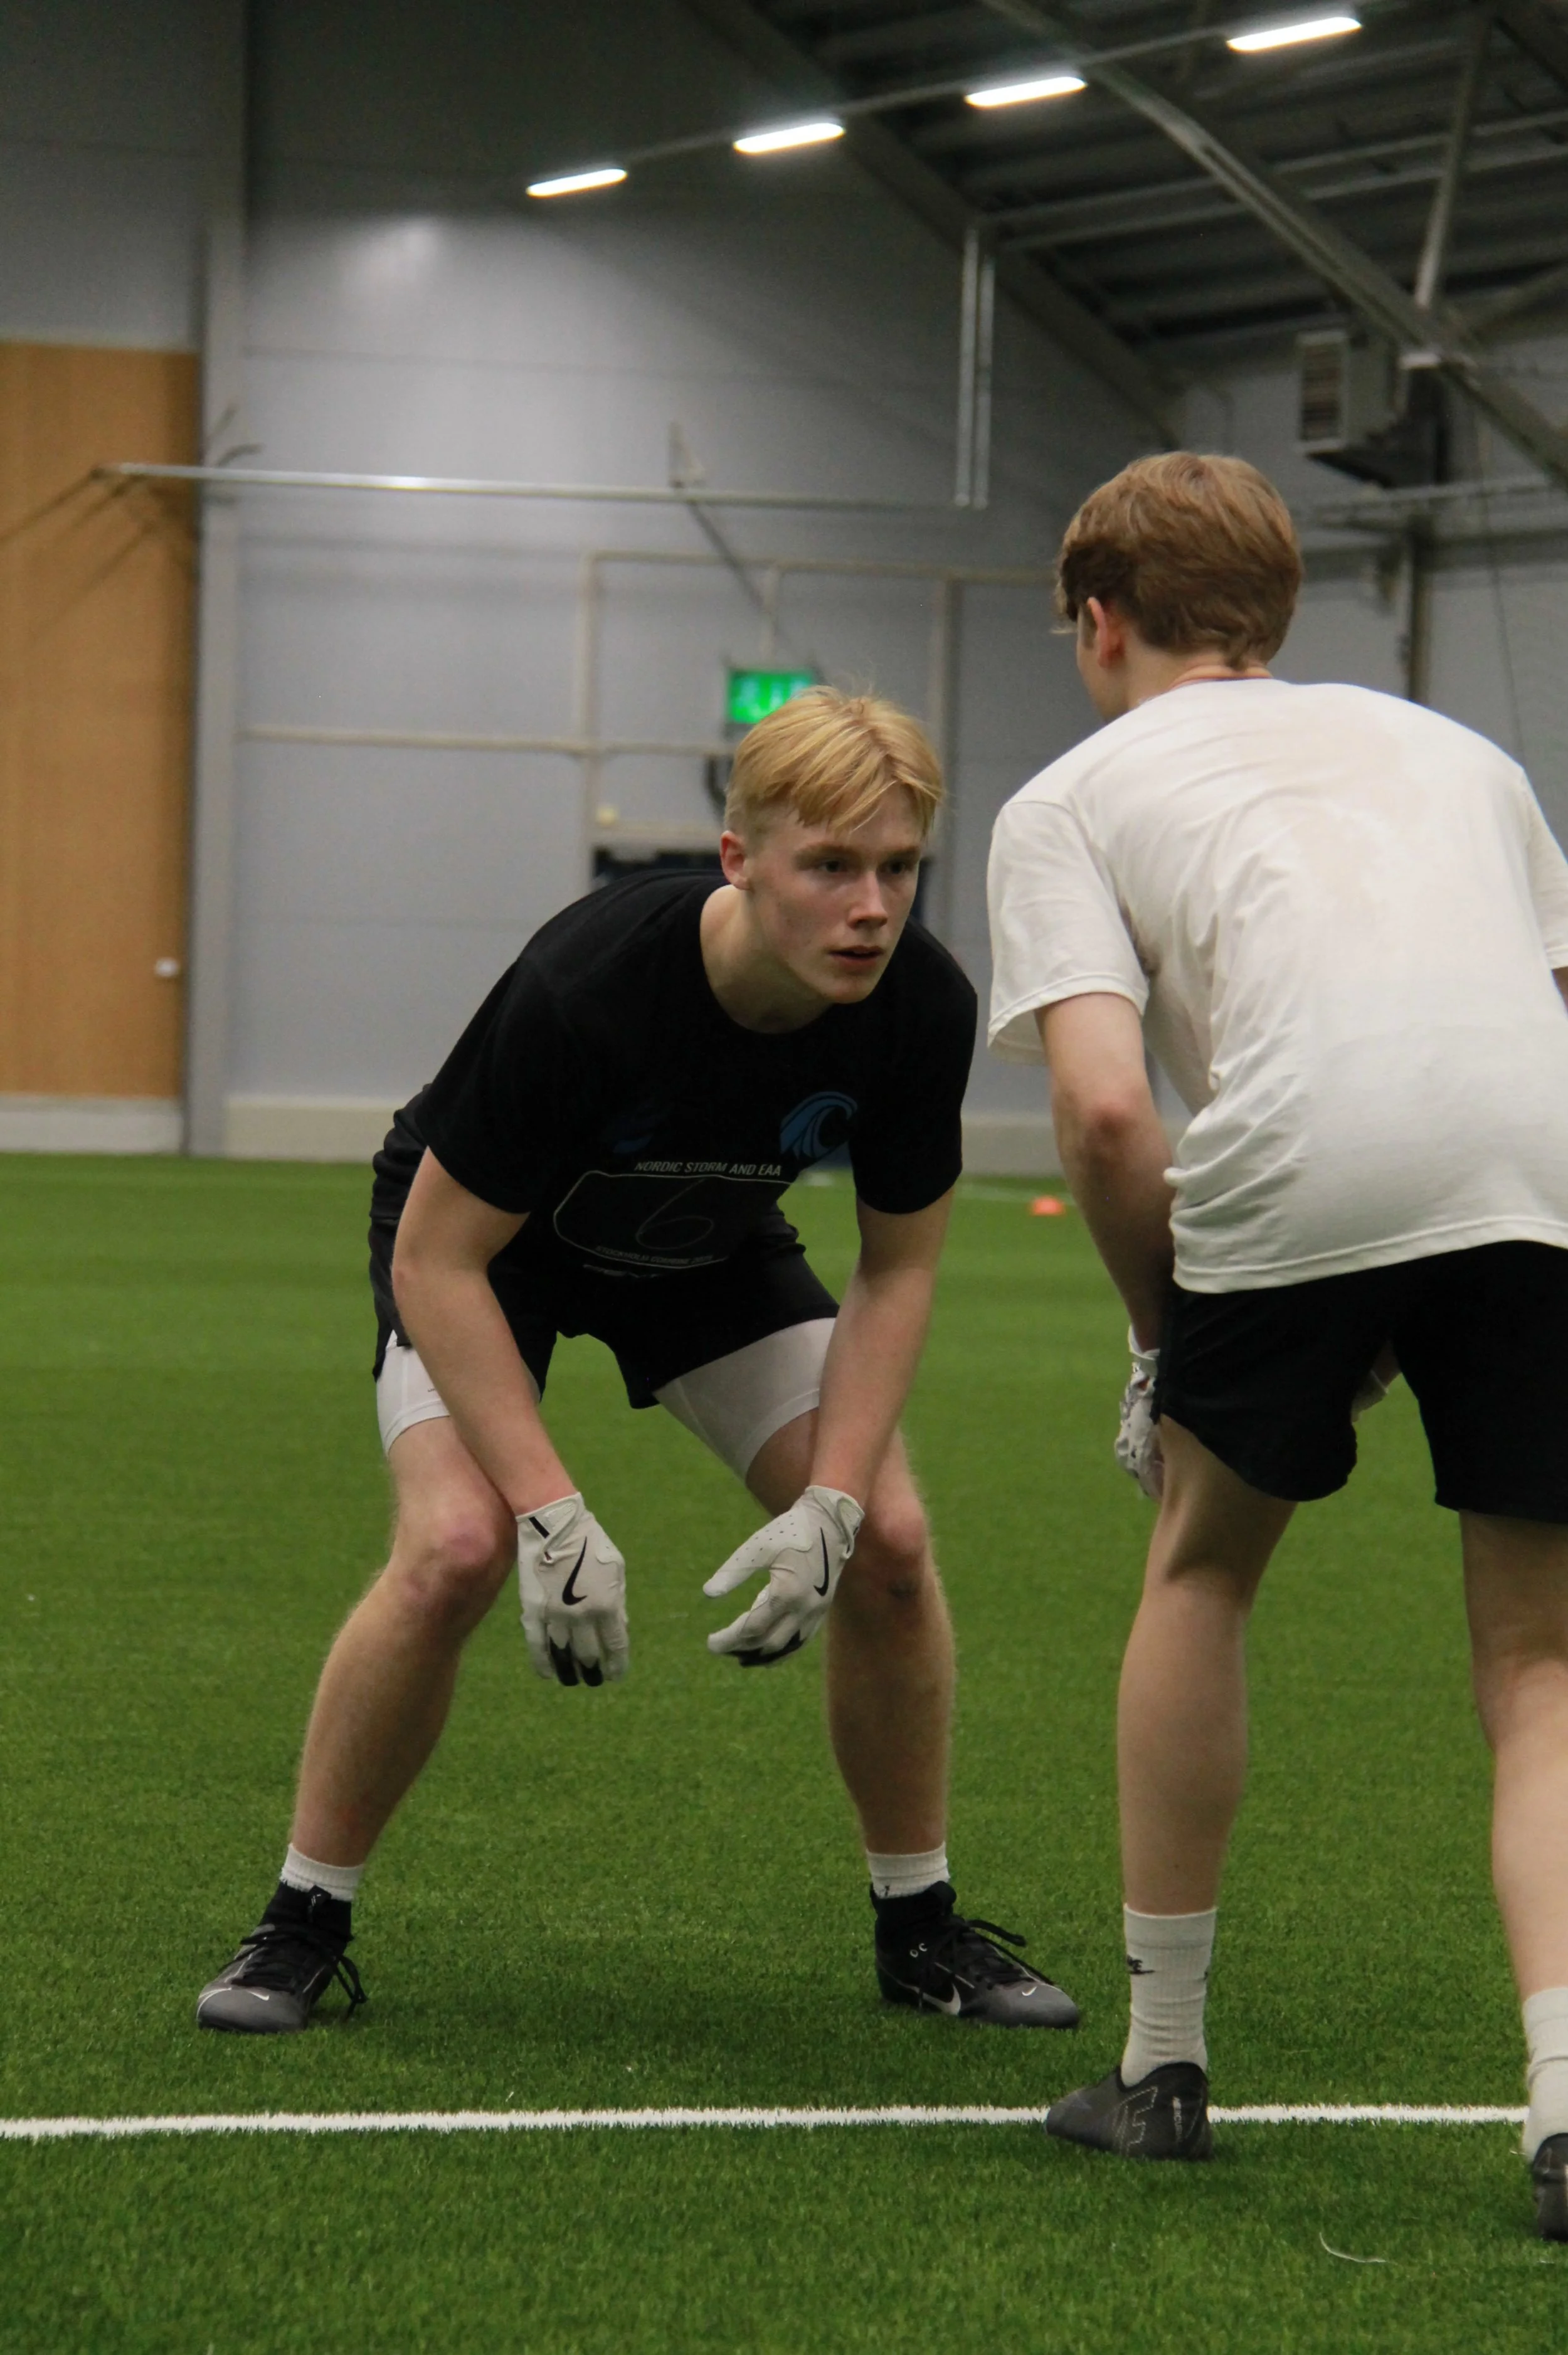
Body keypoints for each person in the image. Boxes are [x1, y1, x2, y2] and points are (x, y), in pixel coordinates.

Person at [198, 687, 1078, 2038]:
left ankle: (921, 1928)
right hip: (488, 1251)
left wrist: (834, 1500)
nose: (871, 906)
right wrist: (549, 1509)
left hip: (703, 1241)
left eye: (898, 867)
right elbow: (437, 1260)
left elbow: (895, 1268)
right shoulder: (591, 983)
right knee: (452, 1548)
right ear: (738, 857)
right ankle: (299, 1920)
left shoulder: (918, 1006)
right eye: (828, 865)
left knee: (892, 1542)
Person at [987, 451, 1568, 2238]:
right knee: (1542, 1665)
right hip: (1541, 1164)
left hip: (1296, 1157)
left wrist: (1171, 1341)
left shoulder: (1065, 799)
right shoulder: (1466, 758)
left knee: (1203, 1569)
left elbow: (1101, 1118)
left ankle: (1159, 2067)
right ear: (1276, 610)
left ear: (1096, 622)